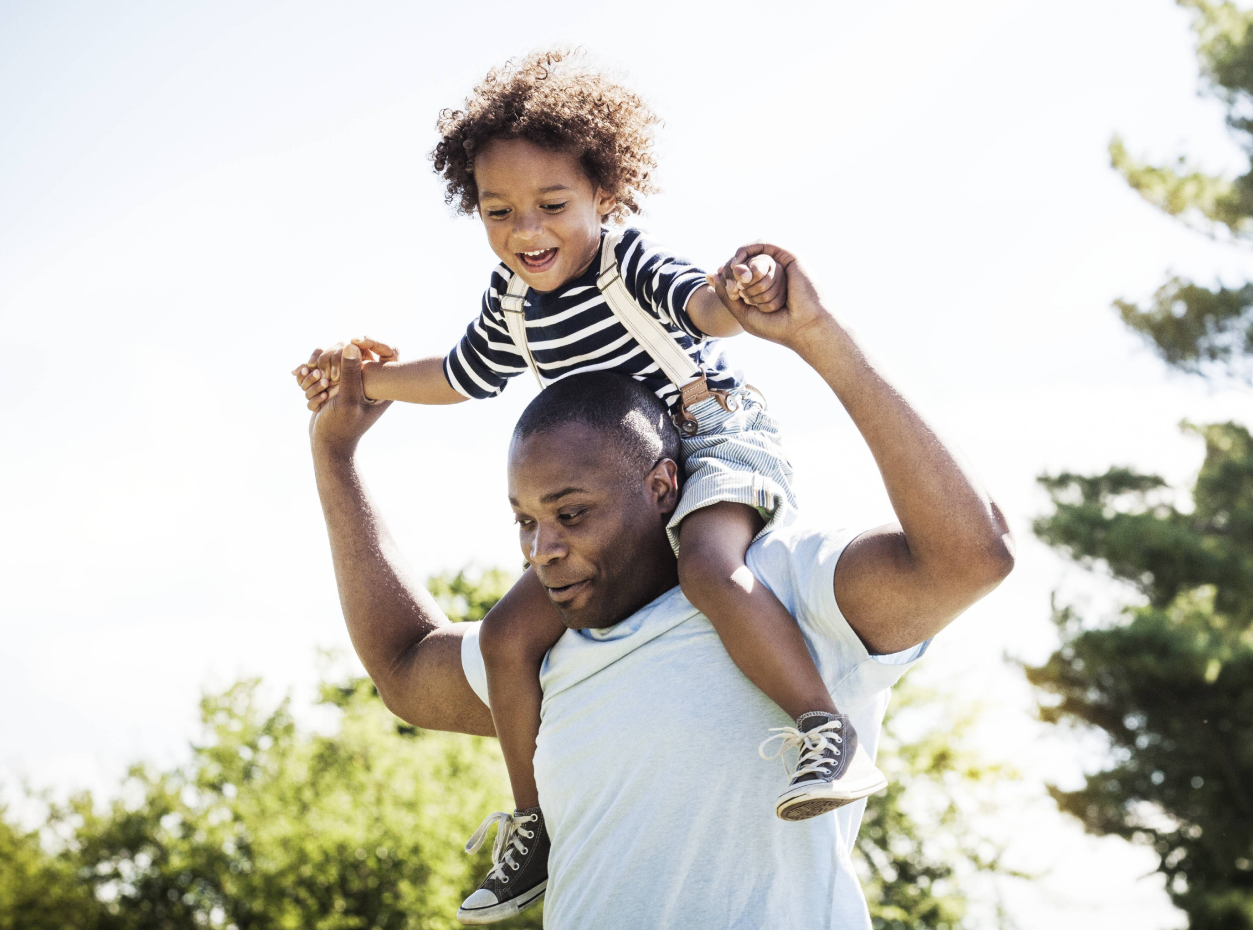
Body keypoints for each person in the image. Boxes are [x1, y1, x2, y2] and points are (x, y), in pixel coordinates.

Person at [297, 48, 875, 922]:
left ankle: (824, 731)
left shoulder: (627, 265)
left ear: (604, 196)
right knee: (502, 637)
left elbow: (705, 311)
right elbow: (459, 375)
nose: (525, 229)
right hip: (617, 489)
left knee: (711, 572)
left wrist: (742, 291)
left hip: (710, 436)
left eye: (551, 205)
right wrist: (360, 387)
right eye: (498, 211)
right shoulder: (513, 303)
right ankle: (533, 824)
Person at [294, 242, 1014, 929]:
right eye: (525, 522)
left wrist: (818, 336)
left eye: (571, 515)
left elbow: (971, 555)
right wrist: (335, 453)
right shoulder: (543, 656)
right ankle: (529, 825)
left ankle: (822, 729)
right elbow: (403, 665)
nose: (542, 551)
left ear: (663, 487)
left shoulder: (784, 586)